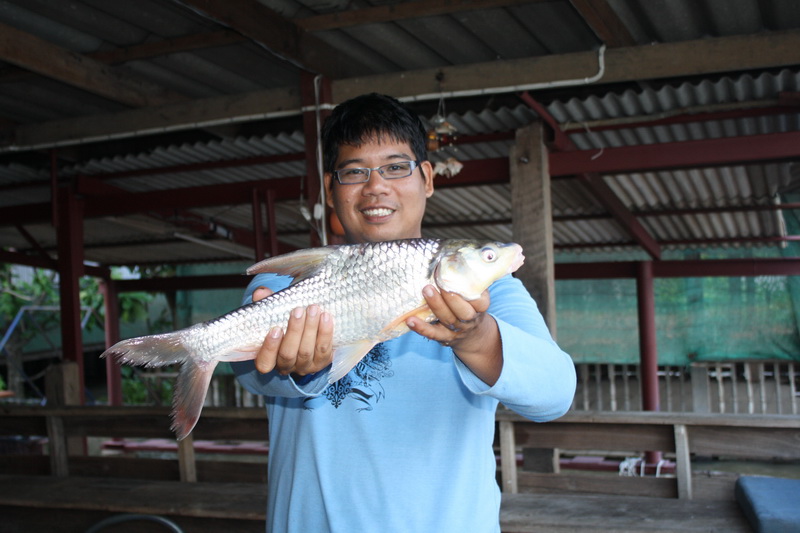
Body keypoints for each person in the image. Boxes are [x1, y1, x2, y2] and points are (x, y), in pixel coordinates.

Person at [231, 93, 576, 533]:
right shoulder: (285, 289)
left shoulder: (491, 291)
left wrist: (477, 338)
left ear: (427, 178)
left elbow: (556, 393)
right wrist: (294, 368)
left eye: (396, 167)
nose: (376, 187)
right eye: (354, 172)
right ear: (330, 189)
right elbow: (248, 371)